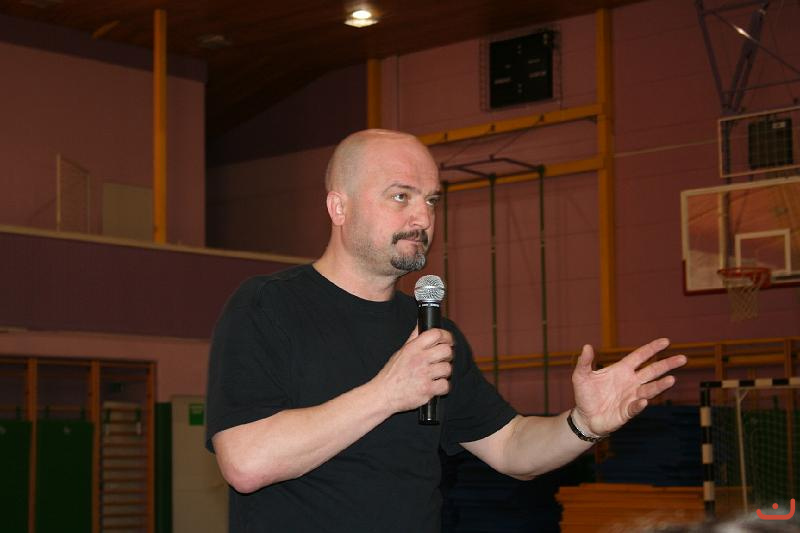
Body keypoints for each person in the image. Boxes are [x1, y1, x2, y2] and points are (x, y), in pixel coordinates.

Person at [205, 129, 687, 532]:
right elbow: (246, 462)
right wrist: (387, 393)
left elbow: (511, 447)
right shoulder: (269, 306)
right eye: (401, 196)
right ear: (339, 207)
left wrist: (583, 424)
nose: (423, 218)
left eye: (431, 200)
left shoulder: (431, 330)